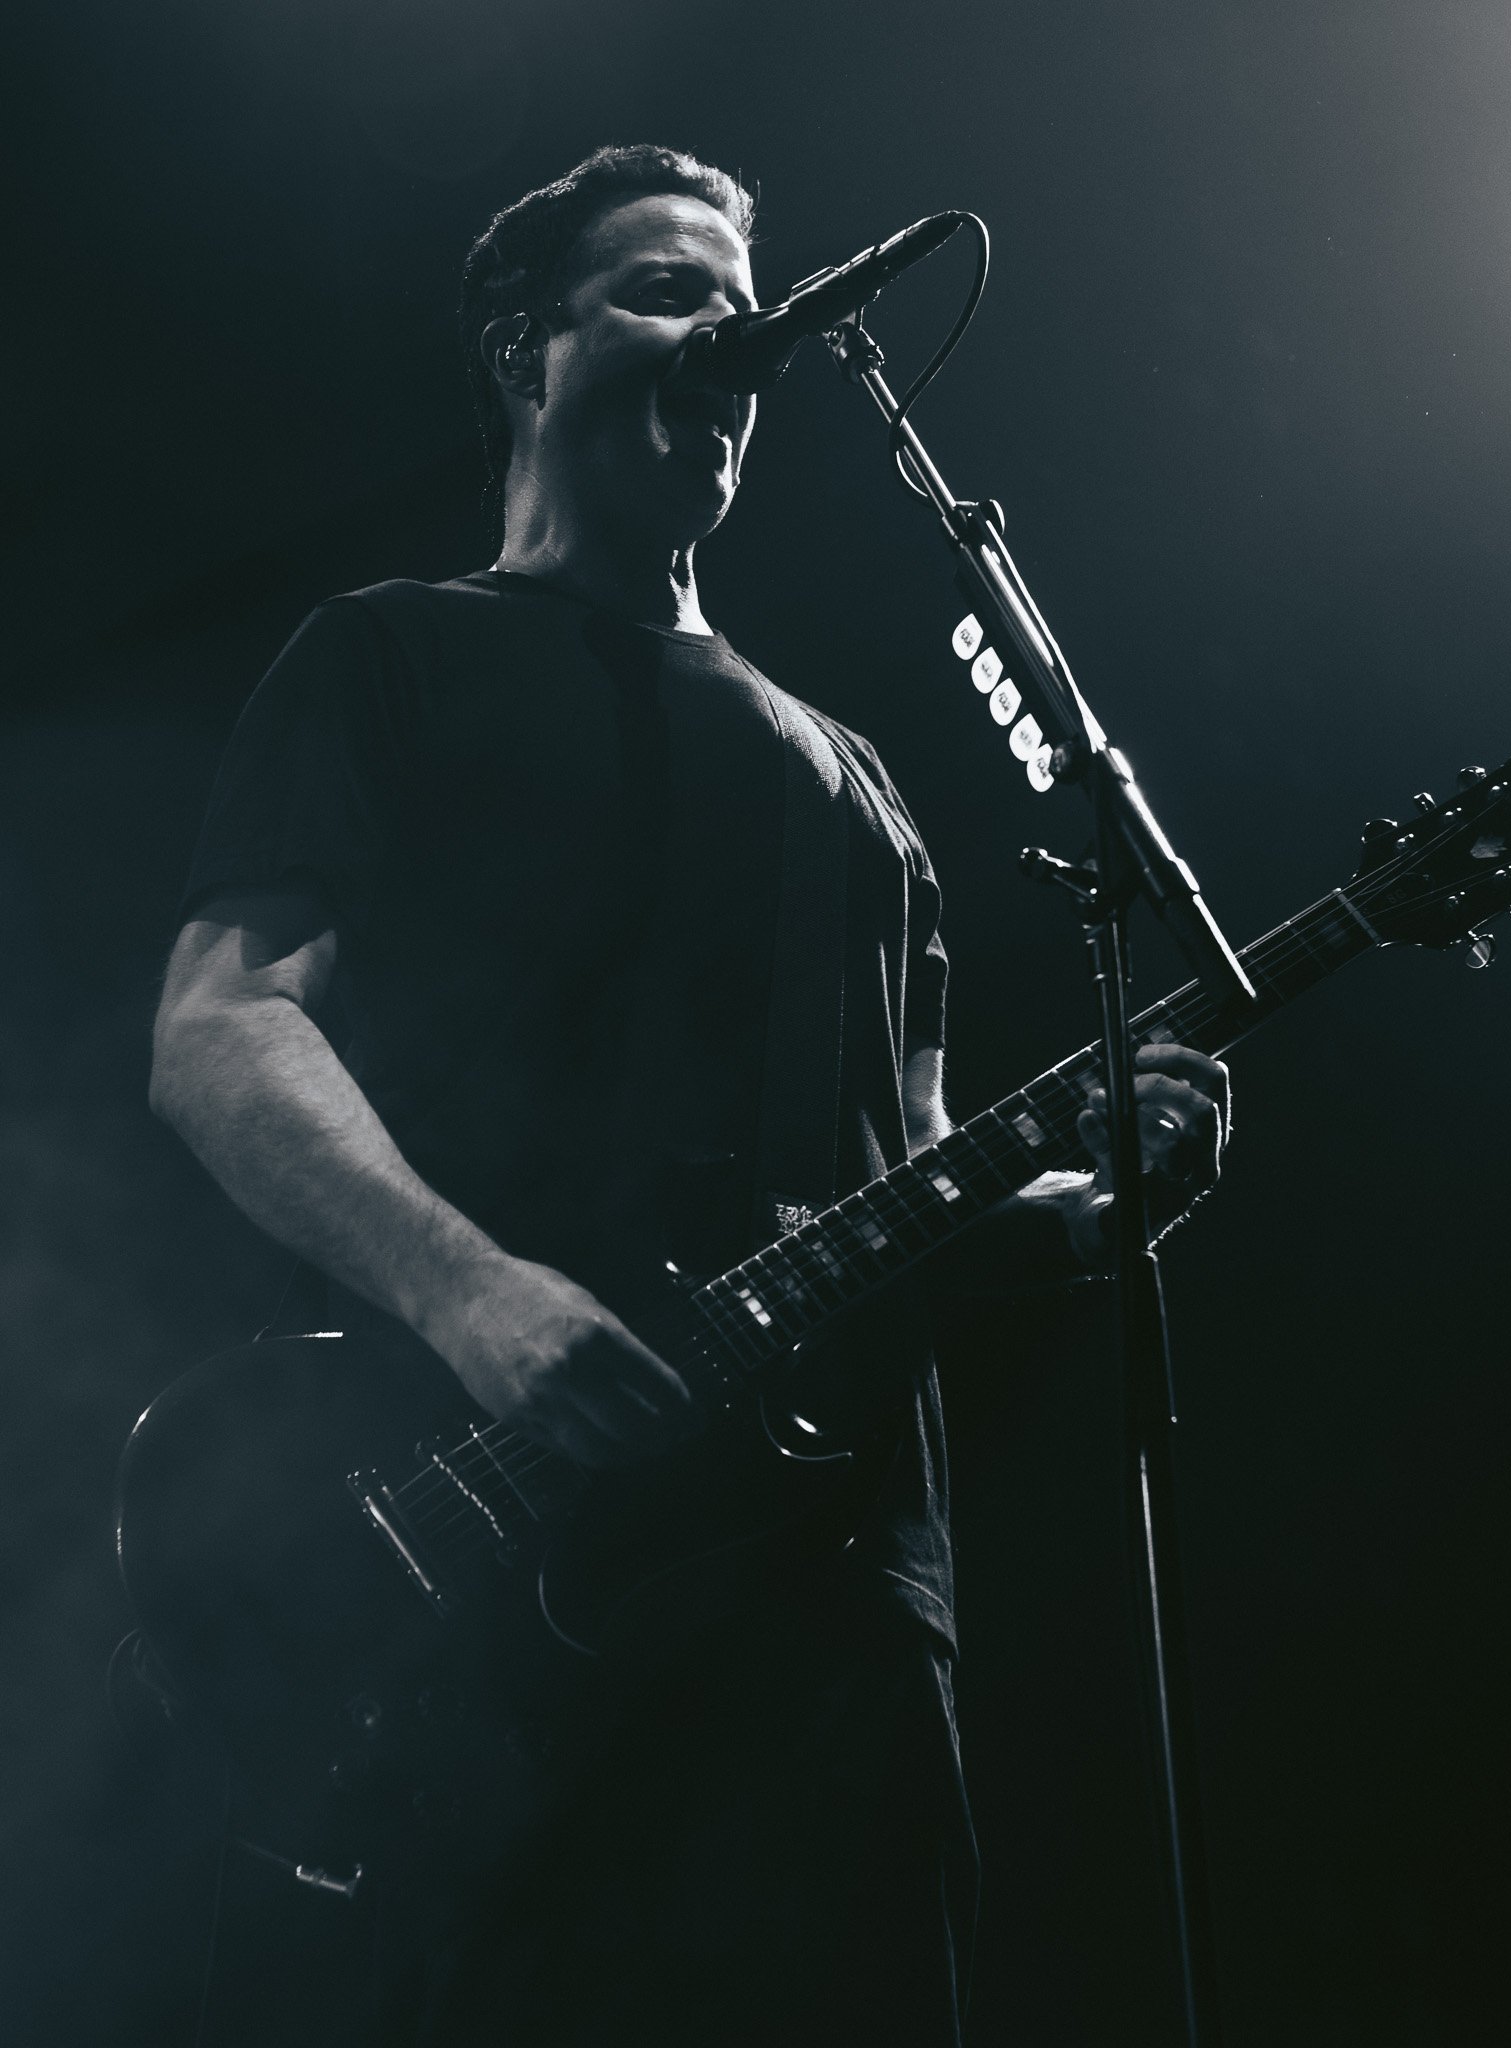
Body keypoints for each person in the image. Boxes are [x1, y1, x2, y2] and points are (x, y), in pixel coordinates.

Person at [149, 144, 1231, 2047]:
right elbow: (219, 1034)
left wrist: (1108, 1197)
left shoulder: (862, 786)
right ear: (523, 351)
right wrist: (475, 1294)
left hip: (845, 1628)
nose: (731, 341)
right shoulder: (393, 655)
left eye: (747, 310)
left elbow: (917, 1197)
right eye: (667, 294)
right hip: (498, 1605)